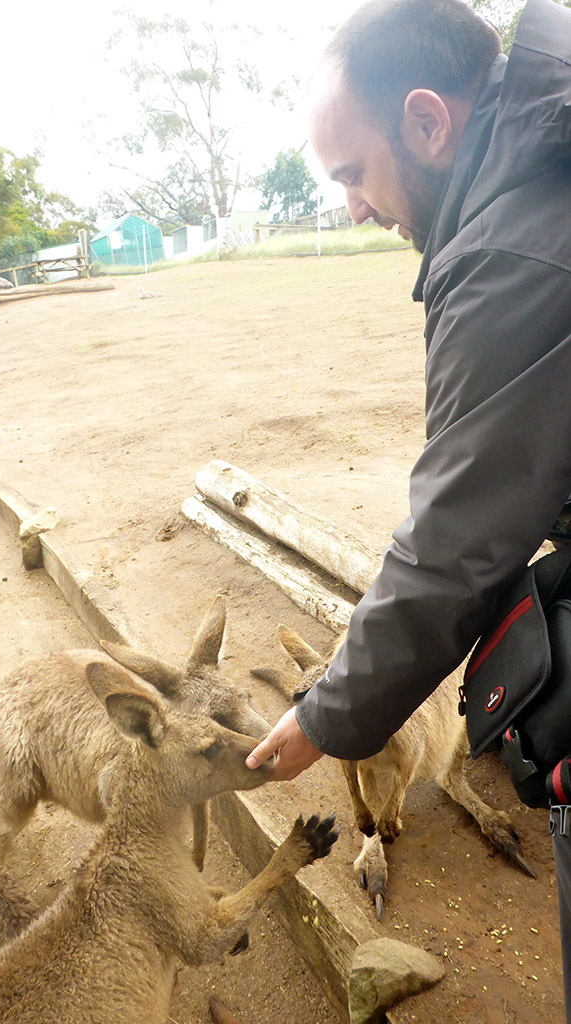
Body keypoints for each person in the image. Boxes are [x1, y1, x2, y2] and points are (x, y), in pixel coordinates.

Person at [246, 0, 571, 1015]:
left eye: (351, 172)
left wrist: (325, 715)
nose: (348, 206)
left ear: (428, 122)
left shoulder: (506, 255)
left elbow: (450, 546)